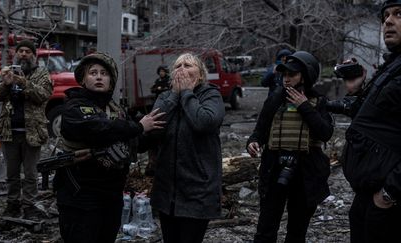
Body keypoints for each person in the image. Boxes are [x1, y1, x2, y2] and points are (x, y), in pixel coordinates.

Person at [53, 52, 164, 243]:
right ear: (83, 79)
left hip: (111, 194)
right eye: (93, 72)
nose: (98, 76)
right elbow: (99, 129)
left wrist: (158, 130)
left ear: (110, 81)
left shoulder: (116, 110)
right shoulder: (74, 107)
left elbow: (135, 143)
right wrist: (138, 126)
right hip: (80, 196)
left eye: (104, 73)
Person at [246, 51, 334, 243]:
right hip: (274, 169)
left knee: (296, 232)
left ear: (306, 75)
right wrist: (252, 142)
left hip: (305, 173)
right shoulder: (275, 99)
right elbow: (259, 131)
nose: (286, 79)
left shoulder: (318, 101)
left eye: (292, 75)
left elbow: (325, 132)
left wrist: (304, 106)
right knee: (265, 231)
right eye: (284, 75)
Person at [140, 53, 225, 243]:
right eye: (178, 66)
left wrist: (187, 93)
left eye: (188, 65)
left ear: (201, 75)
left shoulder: (211, 95)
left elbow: (204, 122)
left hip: (198, 190)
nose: (182, 69)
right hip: (166, 190)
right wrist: (174, 96)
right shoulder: (165, 97)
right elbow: (151, 134)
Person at [342, 1, 401, 242]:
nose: (387, 21)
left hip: (388, 199)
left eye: (399, 14)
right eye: (385, 16)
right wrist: (357, 92)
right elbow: (375, 119)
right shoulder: (393, 65)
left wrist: (390, 192)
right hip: (369, 191)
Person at [0, 39, 53, 220]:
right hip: (9, 132)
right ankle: (12, 205)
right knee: (12, 173)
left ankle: (30, 206)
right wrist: (6, 83)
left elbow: (43, 95)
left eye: (27, 51)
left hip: (32, 133)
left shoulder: (41, 73)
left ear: (34, 55)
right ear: (15, 54)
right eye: (20, 51)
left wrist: (23, 82)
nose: (23, 54)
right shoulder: (5, 73)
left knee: (31, 174)